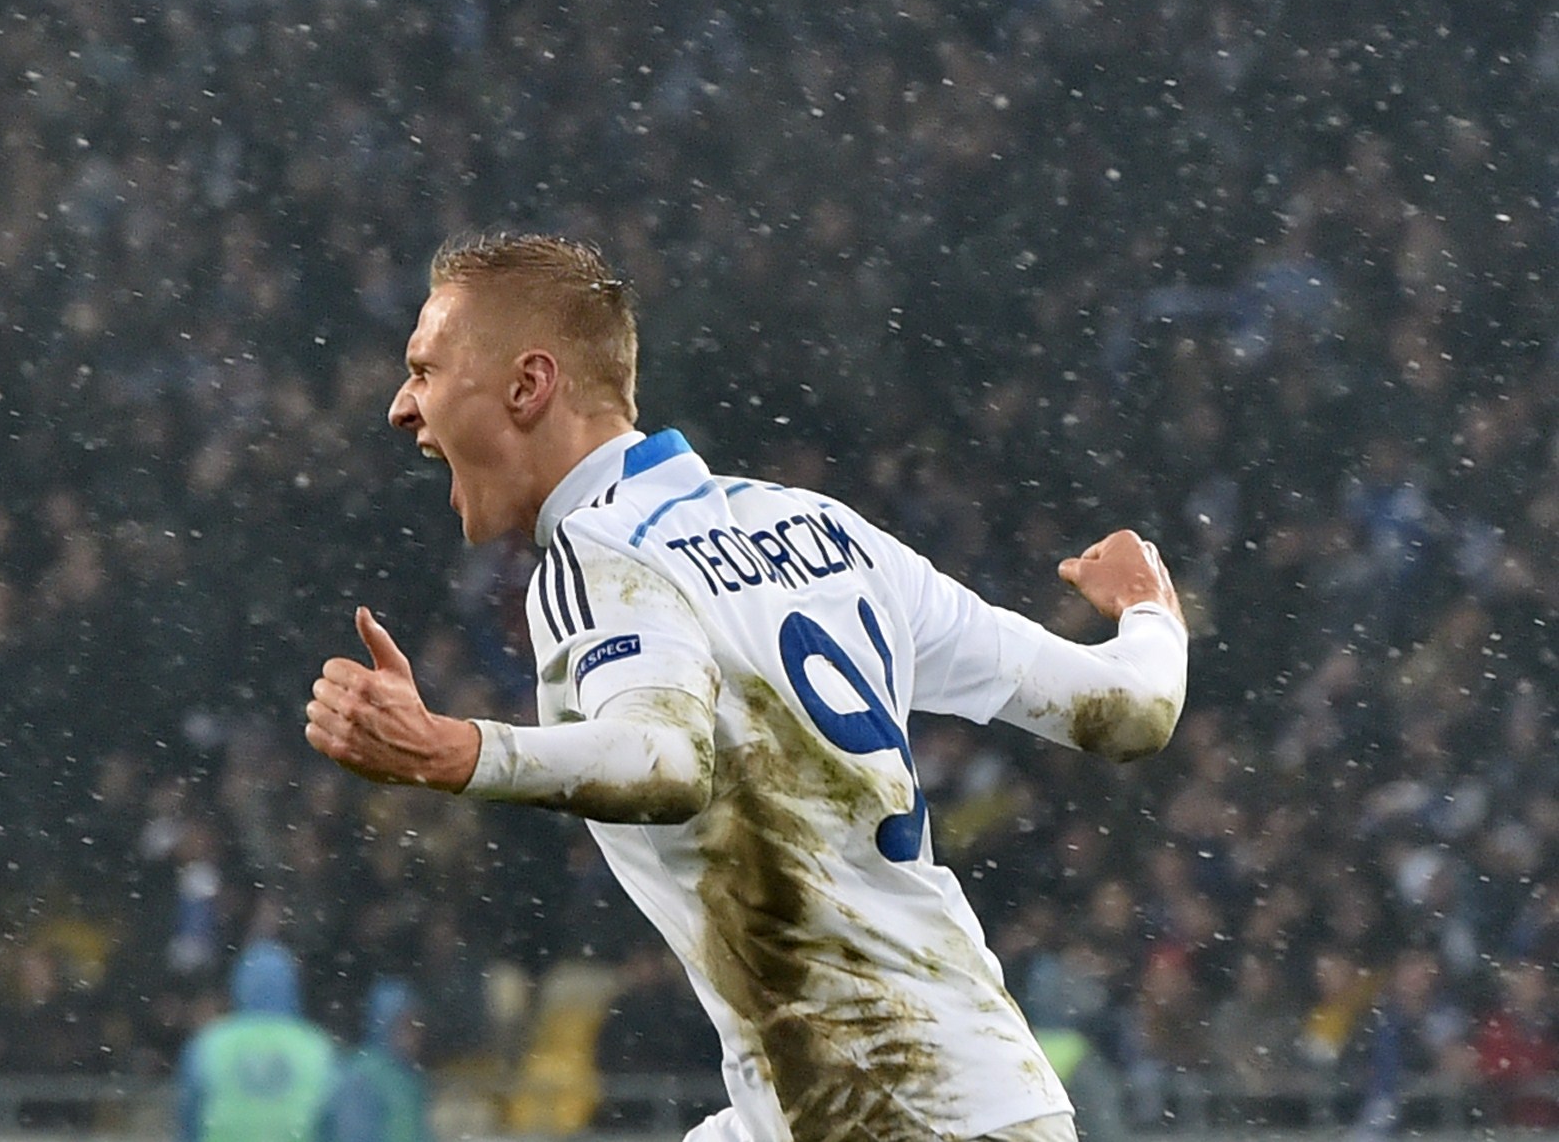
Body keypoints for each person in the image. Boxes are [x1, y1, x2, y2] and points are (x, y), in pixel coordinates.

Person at [304, 233, 1189, 1142]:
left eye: (424, 368)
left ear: (529, 386)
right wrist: (1151, 611)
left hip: (879, 1108)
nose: (401, 406)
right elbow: (1133, 710)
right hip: (987, 1092)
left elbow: (667, 760)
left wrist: (454, 750)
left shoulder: (599, 552)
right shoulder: (826, 531)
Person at [176, 940, 338, 1142]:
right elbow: (333, 1122)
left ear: (239, 983)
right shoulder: (316, 1046)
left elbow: (190, 1116)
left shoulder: (211, 1043)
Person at [330, 977, 432, 1142]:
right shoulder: (362, 1076)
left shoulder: (410, 1078)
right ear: (384, 1023)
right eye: (406, 1025)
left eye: (417, 1026)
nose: (415, 1036)